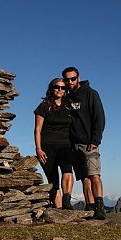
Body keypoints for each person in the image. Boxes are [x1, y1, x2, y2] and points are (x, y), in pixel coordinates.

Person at [62, 66, 106, 220]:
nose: (70, 82)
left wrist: (95, 139)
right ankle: (90, 207)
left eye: (72, 78)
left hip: (89, 143)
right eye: (67, 79)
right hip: (73, 144)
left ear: (78, 78)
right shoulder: (67, 98)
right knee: (84, 178)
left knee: (94, 175)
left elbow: (99, 117)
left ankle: (100, 207)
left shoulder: (90, 94)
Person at [34, 78, 74, 209]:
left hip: (66, 145)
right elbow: (37, 129)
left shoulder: (69, 105)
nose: (60, 90)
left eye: (63, 88)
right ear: (51, 88)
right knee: (53, 180)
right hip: (47, 147)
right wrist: (38, 149)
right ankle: (59, 211)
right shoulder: (44, 106)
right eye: (57, 87)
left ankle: (67, 201)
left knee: (67, 170)